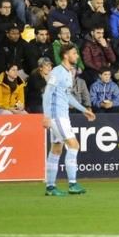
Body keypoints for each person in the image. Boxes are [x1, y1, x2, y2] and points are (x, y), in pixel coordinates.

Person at [42, 44, 97, 196]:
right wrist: (46, 116)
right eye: (74, 53)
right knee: (74, 145)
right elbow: (47, 93)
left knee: (56, 149)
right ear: (66, 55)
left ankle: (51, 187)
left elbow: (66, 96)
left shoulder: (69, 73)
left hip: (62, 115)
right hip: (56, 115)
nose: (77, 56)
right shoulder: (57, 72)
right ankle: (72, 184)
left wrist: (83, 110)